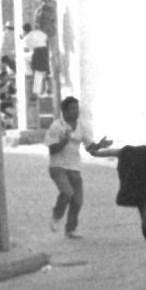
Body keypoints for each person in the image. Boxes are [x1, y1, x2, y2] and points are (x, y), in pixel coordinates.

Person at [45, 95, 114, 238]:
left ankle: (70, 229)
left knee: (77, 201)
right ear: (64, 111)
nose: (76, 111)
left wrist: (100, 145)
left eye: (77, 108)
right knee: (67, 192)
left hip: (74, 167)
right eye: (72, 109)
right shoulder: (56, 126)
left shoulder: (81, 126)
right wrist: (64, 141)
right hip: (58, 167)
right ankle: (56, 216)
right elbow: (52, 149)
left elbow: (90, 148)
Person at [21, 21, 50, 99]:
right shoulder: (40, 33)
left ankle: (28, 73)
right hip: (44, 53)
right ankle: (38, 91)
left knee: (24, 58)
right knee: (39, 74)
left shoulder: (27, 38)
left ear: (24, 31)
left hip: (36, 54)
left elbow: (26, 49)